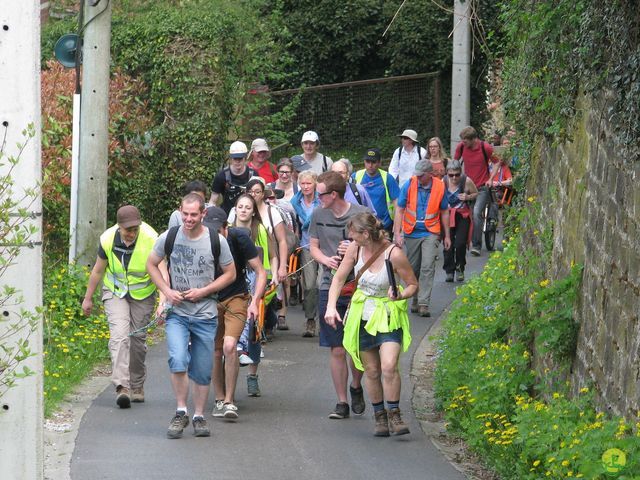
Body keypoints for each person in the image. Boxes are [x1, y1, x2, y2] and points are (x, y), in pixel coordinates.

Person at [146, 193, 236, 439]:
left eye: (193, 215)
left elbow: (230, 273)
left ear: (203, 214)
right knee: (177, 358)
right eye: (185, 214)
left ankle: (198, 415)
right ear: (180, 211)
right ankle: (180, 411)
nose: (188, 219)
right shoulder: (170, 237)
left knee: (202, 368)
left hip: (206, 314)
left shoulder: (216, 241)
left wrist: (205, 290)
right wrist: (167, 292)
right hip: (178, 313)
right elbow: (151, 264)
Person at [325, 212, 418, 436]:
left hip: (387, 314)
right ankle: (380, 417)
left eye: (354, 236)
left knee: (388, 366)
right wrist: (330, 306)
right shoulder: (354, 249)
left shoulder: (394, 254)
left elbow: (413, 284)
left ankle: (395, 414)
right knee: (372, 370)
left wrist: (400, 294)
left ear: (366, 234)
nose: (351, 240)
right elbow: (338, 278)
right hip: (362, 314)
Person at [82, 205, 160, 408]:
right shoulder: (107, 239)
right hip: (115, 291)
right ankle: (122, 387)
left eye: (135, 229)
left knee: (137, 338)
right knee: (119, 335)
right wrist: (88, 298)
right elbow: (98, 271)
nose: (131, 234)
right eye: (127, 230)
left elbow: (162, 268)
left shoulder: (152, 238)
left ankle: (137, 386)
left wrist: (165, 298)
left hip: (142, 294)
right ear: (119, 227)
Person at [309, 171, 368, 419]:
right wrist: (326, 259)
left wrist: (355, 247)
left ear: (333, 195)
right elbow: (313, 246)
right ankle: (341, 401)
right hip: (329, 284)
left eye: (320, 193)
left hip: (358, 287)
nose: (316, 197)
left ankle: (356, 386)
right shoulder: (318, 214)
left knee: (356, 345)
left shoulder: (361, 214)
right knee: (336, 347)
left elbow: (376, 247)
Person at [205, 206, 267, 421]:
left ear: (226, 228)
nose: (214, 235)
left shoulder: (239, 238)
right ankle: (219, 398)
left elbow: (260, 272)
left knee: (230, 346)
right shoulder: (201, 239)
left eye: (218, 231)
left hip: (236, 298)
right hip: (210, 299)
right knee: (216, 349)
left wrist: (255, 302)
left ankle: (230, 401)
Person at [230, 194, 279, 397]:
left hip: (256, 281)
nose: (243, 210)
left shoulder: (260, 230)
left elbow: (272, 255)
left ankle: (252, 376)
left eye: (247, 207)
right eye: (240, 206)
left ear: (253, 210)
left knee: (253, 328)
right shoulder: (227, 229)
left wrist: (274, 274)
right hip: (233, 282)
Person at [393, 160, 451, 318]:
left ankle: (424, 303)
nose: (417, 177)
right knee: (413, 268)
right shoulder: (409, 184)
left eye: (421, 175)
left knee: (428, 266)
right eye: (416, 174)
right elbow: (399, 209)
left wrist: (447, 236)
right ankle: (415, 298)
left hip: (431, 232)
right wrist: (397, 233)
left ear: (429, 174)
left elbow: (445, 211)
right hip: (411, 232)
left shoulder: (439, 186)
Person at [453, 126, 500, 256]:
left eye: (465, 141)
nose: (463, 143)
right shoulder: (461, 147)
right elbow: (455, 164)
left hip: (482, 187)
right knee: (463, 214)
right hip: (467, 186)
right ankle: (460, 241)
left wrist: (491, 179)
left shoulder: (486, 148)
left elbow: (497, 162)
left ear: (474, 139)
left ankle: (476, 245)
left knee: (476, 213)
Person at [291, 170, 321, 337]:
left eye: (309, 183)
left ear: (315, 183)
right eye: (303, 184)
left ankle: (323, 320)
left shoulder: (322, 201)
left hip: (324, 247)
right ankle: (310, 319)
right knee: (309, 285)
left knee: (321, 284)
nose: (306, 187)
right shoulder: (295, 202)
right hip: (306, 246)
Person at [442, 160, 478, 283]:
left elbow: (475, 193)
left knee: (460, 243)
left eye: (457, 175)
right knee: (448, 243)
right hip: (447, 215)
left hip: (462, 215)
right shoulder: (443, 182)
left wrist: (467, 197)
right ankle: (449, 271)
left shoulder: (466, 181)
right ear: (447, 173)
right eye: (451, 175)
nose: (454, 178)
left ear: (460, 173)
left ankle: (460, 268)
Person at [353, 148, 399, 239]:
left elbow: (397, 202)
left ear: (379, 163)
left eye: (373, 162)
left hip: (384, 226)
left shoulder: (387, 178)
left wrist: (397, 225)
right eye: (368, 161)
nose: (370, 165)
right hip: (362, 226)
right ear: (364, 162)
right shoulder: (356, 176)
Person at [209, 141, 256, 214]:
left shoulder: (253, 174)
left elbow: (259, 198)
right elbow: (213, 201)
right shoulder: (222, 175)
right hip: (227, 216)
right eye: (235, 158)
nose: (238, 161)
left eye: (240, 158)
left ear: (245, 158)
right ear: (231, 159)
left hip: (248, 215)